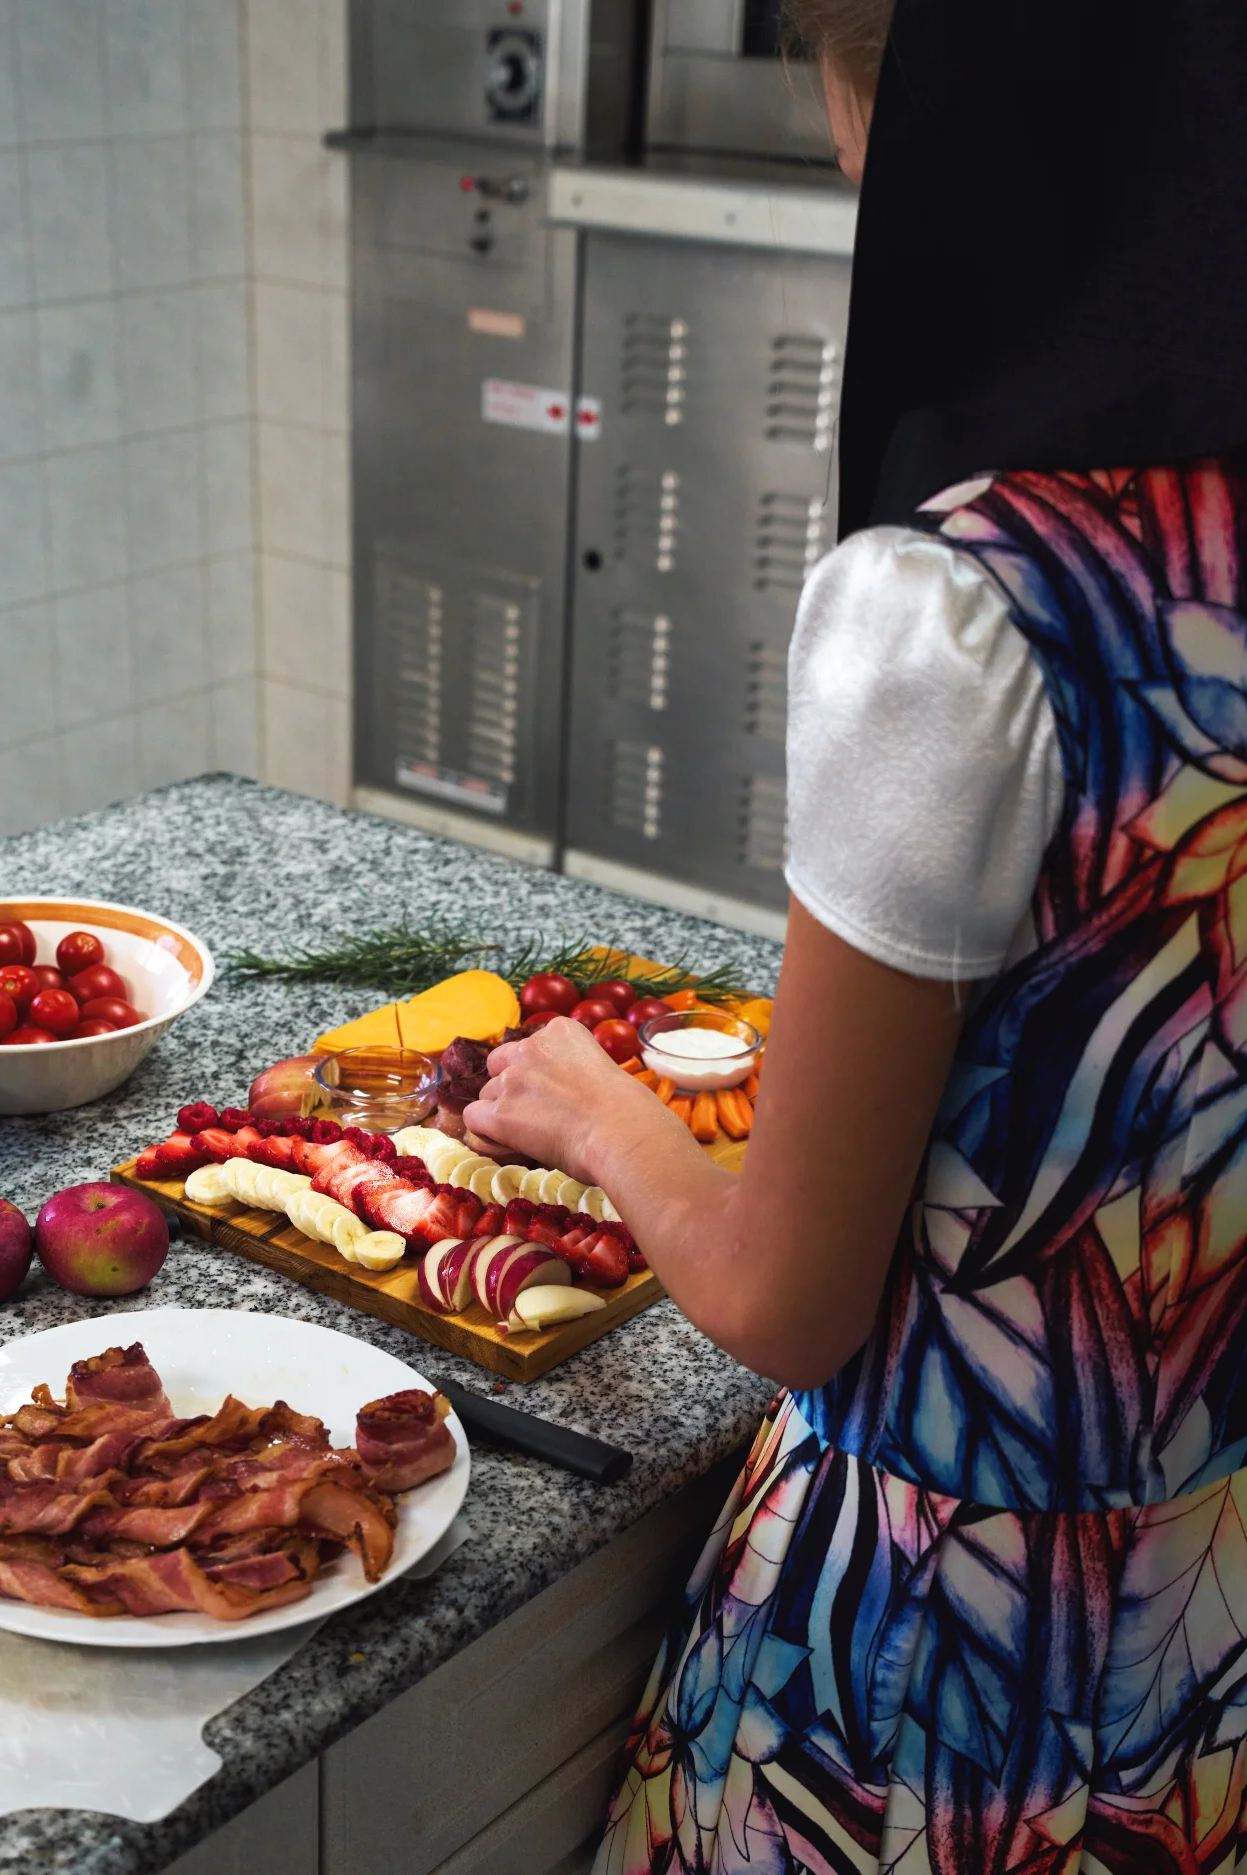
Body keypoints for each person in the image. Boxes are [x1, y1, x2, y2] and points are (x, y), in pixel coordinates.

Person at [466, 0, 1247, 1866]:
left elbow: (785, 1299)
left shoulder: (953, 610)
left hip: (922, 1675)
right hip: (1201, 1629)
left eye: (843, 85)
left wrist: (595, 1107)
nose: (836, 151)